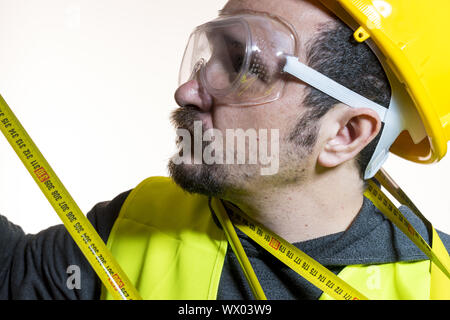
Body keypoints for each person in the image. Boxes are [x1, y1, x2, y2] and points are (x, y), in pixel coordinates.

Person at [1, 0, 449, 300]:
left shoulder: (436, 285)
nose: (186, 90)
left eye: (243, 65)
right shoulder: (135, 223)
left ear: (346, 133)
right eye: (207, 56)